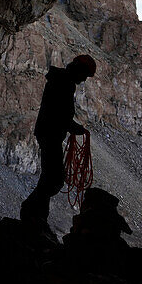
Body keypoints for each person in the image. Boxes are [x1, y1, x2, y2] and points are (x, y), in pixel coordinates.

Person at [19, 54, 96, 228]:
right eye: (84, 75)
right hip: (50, 134)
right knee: (54, 180)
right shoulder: (65, 83)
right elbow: (60, 114)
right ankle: (31, 212)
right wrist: (75, 128)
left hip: (48, 132)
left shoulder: (61, 80)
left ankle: (37, 216)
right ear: (79, 70)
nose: (83, 80)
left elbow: (59, 113)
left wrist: (72, 126)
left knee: (50, 178)